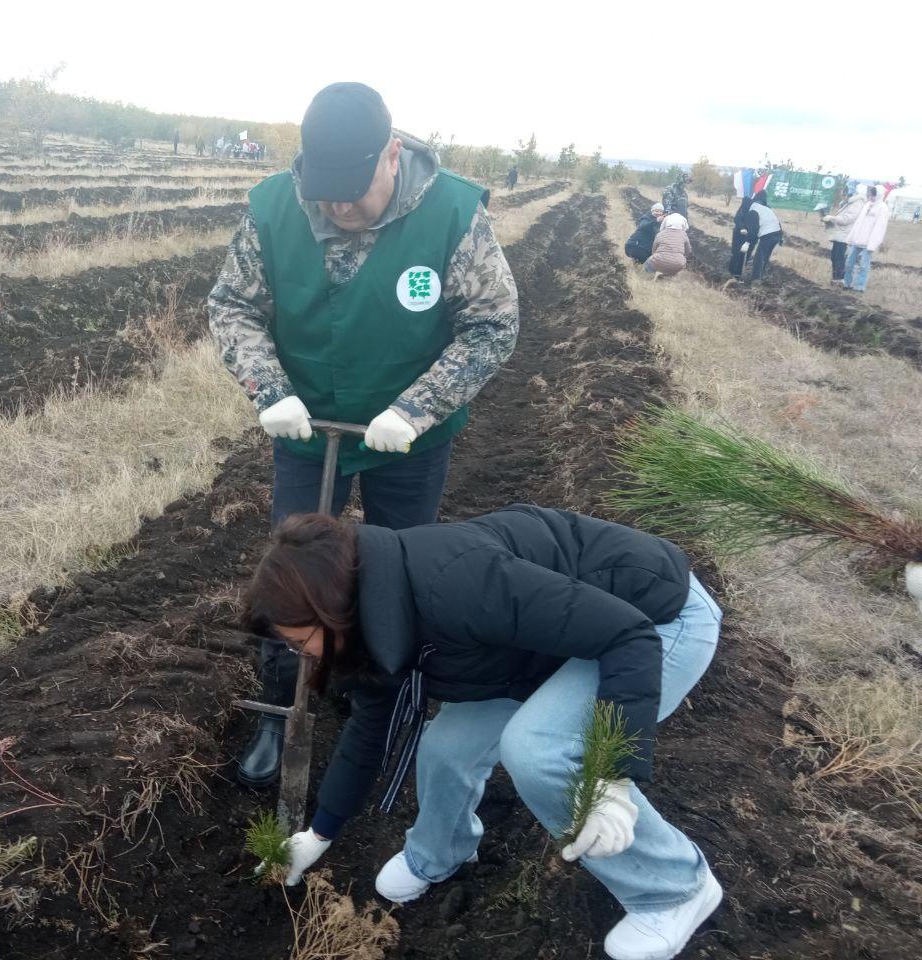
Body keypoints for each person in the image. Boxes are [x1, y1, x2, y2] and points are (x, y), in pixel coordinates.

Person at [207, 82, 519, 788]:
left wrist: (416, 408)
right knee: (290, 567)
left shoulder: (452, 214)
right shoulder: (273, 208)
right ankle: (280, 712)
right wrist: (268, 388)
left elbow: (493, 324)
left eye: (352, 190)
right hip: (304, 423)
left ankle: (386, 702)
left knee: (401, 565)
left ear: (392, 155)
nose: (338, 207)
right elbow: (232, 307)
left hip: (406, 434)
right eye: (326, 191)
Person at [245, 505, 724, 960]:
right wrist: (319, 833)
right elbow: (370, 730)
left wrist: (612, 776)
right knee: (445, 746)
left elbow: (627, 636)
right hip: (551, 648)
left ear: (329, 609)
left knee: (540, 750)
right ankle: (439, 854)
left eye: (297, 639)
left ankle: (675, 888)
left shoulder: (455, 582)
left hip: (657, 620)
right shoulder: (369, 628)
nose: (299, 653)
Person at [842, 185, 891, 293]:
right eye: (870, 194)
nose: (870, 196)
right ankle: (847, 283)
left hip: (868, 242)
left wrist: (872, 244)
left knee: (863, 266)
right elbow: (858, 223)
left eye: (873, 195)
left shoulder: (883, 208)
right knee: (849, 263)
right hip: (857, 240)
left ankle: (859, 287)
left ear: (878, 195)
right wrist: (851, 238)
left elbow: (880, 228)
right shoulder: (867, 205)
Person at [822, 186, 865, 285]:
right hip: (840, 234)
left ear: (850, 194)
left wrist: (832, 218)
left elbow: (846, 219)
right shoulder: (848, 203)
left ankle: (840, 279)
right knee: (835, 256)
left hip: (845, 235)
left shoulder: (856, 204)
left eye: (844, 194)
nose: (842, 197)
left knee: (839, 257)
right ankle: (836, 278)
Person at [740, 190, 783, 283]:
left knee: (759, 258)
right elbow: (776, 222)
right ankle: (759, 277)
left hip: (768, 235)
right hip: (777, 233)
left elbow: (753, 231)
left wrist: (747, 242)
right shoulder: (766, 208)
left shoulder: (752, 211)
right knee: (765, 257)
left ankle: (755, 281)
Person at [644, 213, 692, 279]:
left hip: (660, 260)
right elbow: (688, 250)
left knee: (648, 263)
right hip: (678, 263)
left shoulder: (660, 234)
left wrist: (655, 255)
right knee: (676, 265)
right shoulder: (684, 235)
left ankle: (650, 276)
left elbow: (654, 249)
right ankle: (668, 276)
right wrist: (682, 256)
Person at [728, 195, 753, 279]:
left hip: (748, 236)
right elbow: (737, 219)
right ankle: (731, 272)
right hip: (738, 235)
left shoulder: (753, 211)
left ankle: (738, 274)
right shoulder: (742, 210)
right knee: (736, 253)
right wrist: (742, 228)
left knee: (744, 255)